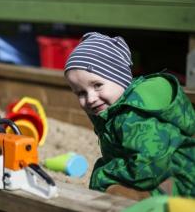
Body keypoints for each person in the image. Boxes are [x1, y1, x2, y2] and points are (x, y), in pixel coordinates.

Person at [64, 32, 195, 199]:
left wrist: (103, 175)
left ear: (120, 79)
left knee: (115, 193)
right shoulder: (113, 110)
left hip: (182, 182)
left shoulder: (135, 117)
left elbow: (148, 167)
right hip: (167, 175)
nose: (90, 98)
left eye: (97, 85)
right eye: (81, 93)